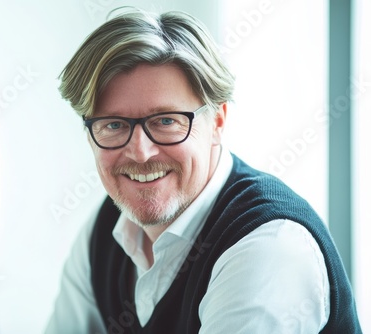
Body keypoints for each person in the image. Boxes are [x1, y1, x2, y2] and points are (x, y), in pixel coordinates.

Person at [45, 8, 361, 333]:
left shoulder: (268, 248)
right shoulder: (104, 232)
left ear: (218, 122)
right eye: (113, 124)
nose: (140, 152)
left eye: (166, 120)